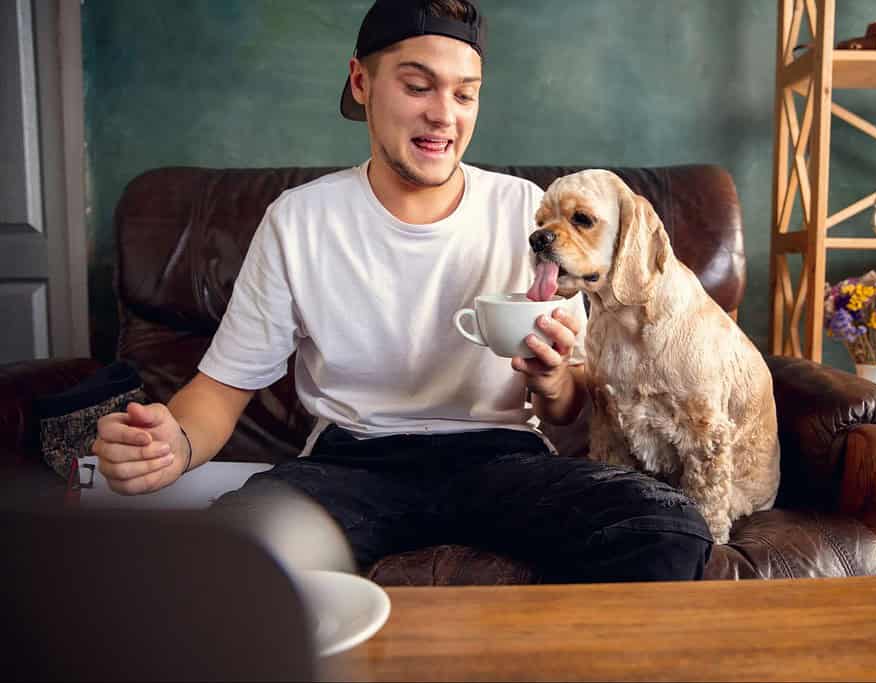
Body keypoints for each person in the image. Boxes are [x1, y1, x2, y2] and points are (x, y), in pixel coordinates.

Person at [91, 0, 712, 582]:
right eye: (417, 87)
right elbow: (221, 393)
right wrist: (172, 443)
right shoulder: (298, 220)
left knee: (666, 527)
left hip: (502, 458)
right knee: (227, 551)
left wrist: (552, 382)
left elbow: (572, 404)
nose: (444, 114)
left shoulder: (530, 212)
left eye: (464, 94)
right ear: (361, 84)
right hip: (352, 461)